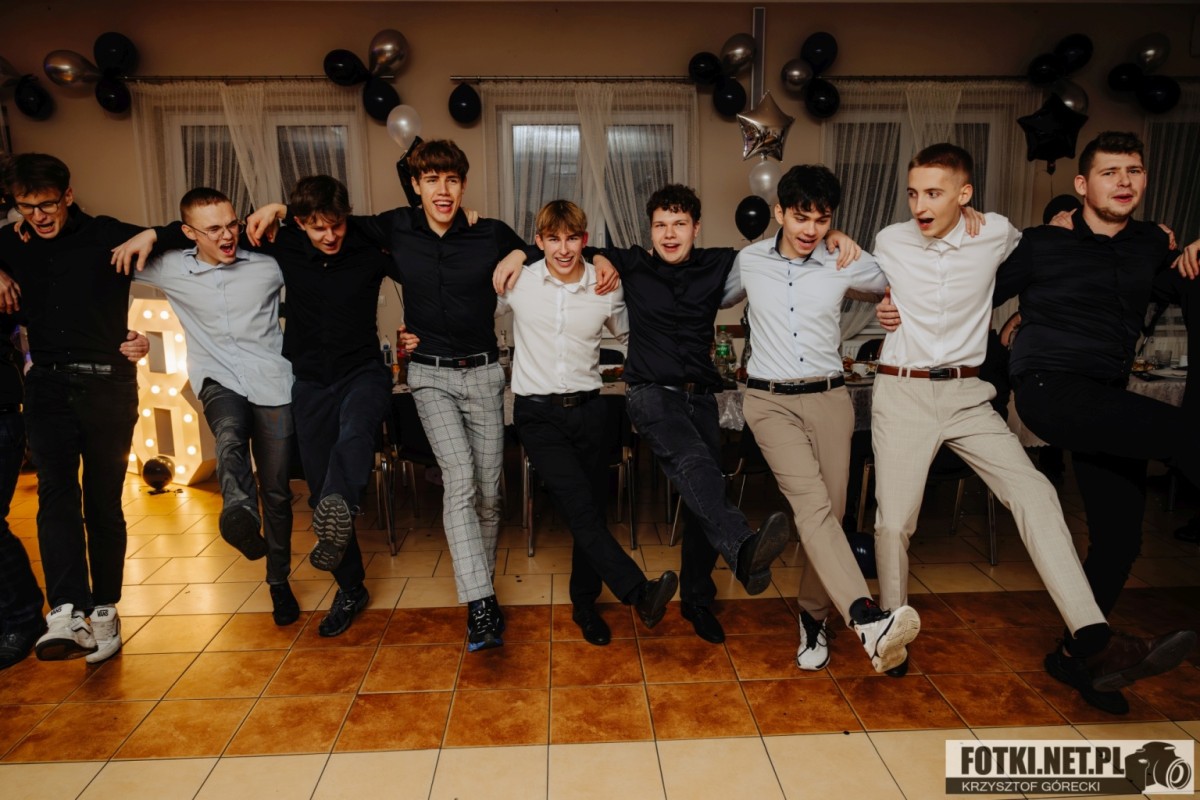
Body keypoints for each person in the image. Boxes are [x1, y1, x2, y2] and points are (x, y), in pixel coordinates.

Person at [871, 141, 1194, 712]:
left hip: (969, 394)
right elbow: (862, 278)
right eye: (914, 193)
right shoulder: (890, 240)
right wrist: (879, 300)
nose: (921, 204)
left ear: (964, 195)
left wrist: (1174, 244)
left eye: (934, 192)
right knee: (895, 522)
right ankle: (890, 634)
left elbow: (1053, 251)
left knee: (1038, 495)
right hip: (904, 391)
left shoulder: (997, 232)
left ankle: (1091, 642)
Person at [496, 185, 858, 642]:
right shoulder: (624, 264)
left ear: (696, 228)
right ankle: (737, 548)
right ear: (649, 230)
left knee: (702, 487)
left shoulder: (716, 263)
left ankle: (697, 600)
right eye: (661, 225)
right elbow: (561, 249)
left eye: (680, 224)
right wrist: (518, 251)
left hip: (694, 397)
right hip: (647, 394)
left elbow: (781, 250)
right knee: (684, 469)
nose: (670, 234)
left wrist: (830, 237)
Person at [249, 141, 528, 652]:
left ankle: (480, 587)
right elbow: (316, 219)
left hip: (485, 374)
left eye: (451, 180)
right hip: (428, 376)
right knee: (459, 480)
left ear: (463, 185)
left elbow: (542, 248)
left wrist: (517, 251)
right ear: (415, 184)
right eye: (431, 179)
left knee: (489, 493)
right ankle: (480, 604)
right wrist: (280, 209)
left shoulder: (488, 232)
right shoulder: (390, 229)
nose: (442, 190)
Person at [116, 175, 402, 638]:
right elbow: (208, 236)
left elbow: (423, 262)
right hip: (308, 383)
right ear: (301, 225)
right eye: (317, 226)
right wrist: (156, 233)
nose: (329, 235)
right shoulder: (281, 248)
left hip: (363, 372)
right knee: (318, 488)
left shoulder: (368, 248)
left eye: (337, 225)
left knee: (353, 439)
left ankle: (342, 503)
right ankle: (351, 586)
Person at [729, 165, 919, 673]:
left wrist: (886, 299)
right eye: (801, 217)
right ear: (779, 213)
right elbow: (696, 290)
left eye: (822, 218)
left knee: (829, 519)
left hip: (831, 400)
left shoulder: (842, 258)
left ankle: (813, 616)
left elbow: (903, 282)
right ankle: (867, 618)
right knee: (812, 508)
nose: (811, 229)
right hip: (769, 401)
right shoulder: (748, 261)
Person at [117, 188, 299, 627]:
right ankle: (239, 512)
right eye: (213, 229)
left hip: (273, 381)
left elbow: (320, 246)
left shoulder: (268, 265)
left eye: (231, 224)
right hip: (217, 379)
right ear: (188, 233)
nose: (227, 235)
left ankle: (278, 580)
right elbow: (102, 272)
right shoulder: (170, 267)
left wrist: (283, 211)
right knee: (230, 435)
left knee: (277, 490)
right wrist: (122, 337)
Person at [499, 200, 678, 644]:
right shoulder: (518, 282)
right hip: (536, 414)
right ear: (539, 241)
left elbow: (633, 335)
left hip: (591, 410)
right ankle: (638, 592)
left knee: (592, 512)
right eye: (553, 239)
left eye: (572, 238)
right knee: (578, 505)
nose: (563, 249)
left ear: (585, 239)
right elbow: (467, 312)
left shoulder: (606, 286)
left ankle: (585, 604)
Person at [0, 153, 146, 663]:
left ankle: (103, 609)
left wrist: (152, 235)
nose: (38, 216)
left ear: (67, 195)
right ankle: (66, 611)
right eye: (26, 207)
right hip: (46, 386)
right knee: (55, 495)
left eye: (46, 205)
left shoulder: (107, 234)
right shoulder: (11, 241)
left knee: (102, 500)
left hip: (108, 384)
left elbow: (181, 236)